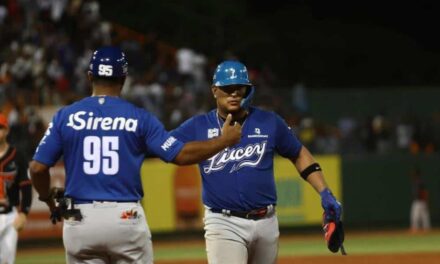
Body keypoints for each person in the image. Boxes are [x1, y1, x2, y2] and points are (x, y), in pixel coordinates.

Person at [29, 46, 242, 264]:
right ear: (123, 78)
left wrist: (49, 201)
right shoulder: (139, 118)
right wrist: (223, 141)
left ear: (90, 76)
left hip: (80, 218)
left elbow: (37, 168)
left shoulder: (65, 116)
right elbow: (180, 155)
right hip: (125, 217)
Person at [170, 60, 342, 264]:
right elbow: (167, 148)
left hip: (267, 221)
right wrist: (220, 142)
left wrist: (325, 192)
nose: (234, 93)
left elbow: (298, 153)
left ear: (247, 90)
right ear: (215, 90)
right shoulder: (198, 126)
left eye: (239, 88)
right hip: (223, 222)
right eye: (227, 88)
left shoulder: (269, 121)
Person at [0, 113, 32, 264]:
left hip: (9, 216)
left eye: (0, 128)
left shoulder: (16, 155)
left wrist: (24, 213)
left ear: (6, 130)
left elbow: (25, 186)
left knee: (7, 261)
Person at [409, 166, 431, 232]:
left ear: (417, 174)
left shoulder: (420, 182)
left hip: (421, 201)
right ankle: (415, 229)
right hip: (416, 201)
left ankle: (426, 230)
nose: (413, 175)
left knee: (424, 217)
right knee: (415, 217)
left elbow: (425, 192)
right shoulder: (415, 182)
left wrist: (426, 200)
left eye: (414, 174)